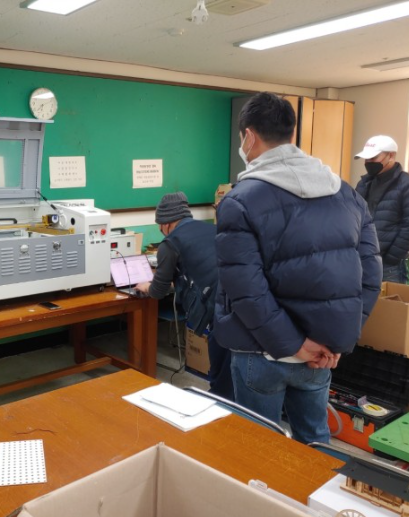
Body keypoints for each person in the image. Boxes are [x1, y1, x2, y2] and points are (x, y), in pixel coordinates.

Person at [213, 92, 382, 444]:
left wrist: (294, 344)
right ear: (291, 134)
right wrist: (336, 341)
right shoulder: (348, 195)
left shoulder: (239, 201)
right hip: (322, 354)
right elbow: (370, 276)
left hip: (260, 352)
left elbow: (246, 290)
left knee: (261, 445)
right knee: (316, 442)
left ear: (249, 137)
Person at [135, 192, 233, 400]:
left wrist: (146, 286)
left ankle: (223, 406)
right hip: (238, 297)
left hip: (218, 307)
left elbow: (158, 291)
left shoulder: (170, 243)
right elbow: (202, 267)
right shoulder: (212, 229)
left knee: (221, 377)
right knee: (232, 365)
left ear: (166, 223)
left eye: (159, 226)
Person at [354, 135, 409, 283]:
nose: (368, 163)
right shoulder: (364, 183)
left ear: (391, 156)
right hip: (361, 259)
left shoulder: (405, 184)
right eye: (366, 159)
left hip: (389, 267)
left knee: (389, 299)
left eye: (373, 158)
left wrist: (392, 257)